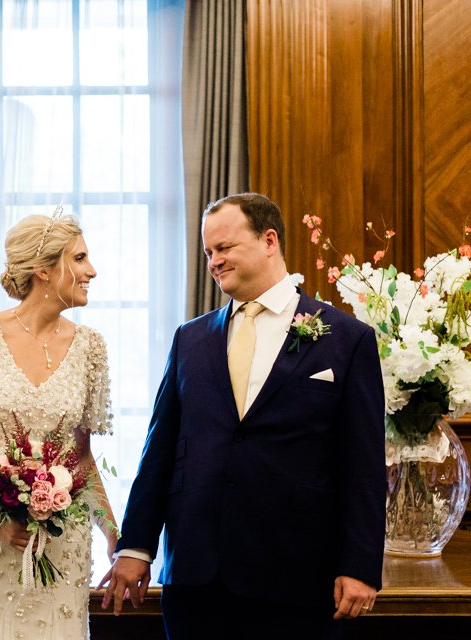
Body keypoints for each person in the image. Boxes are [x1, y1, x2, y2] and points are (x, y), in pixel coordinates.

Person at [101, 193, 386, 639]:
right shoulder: (189, 340)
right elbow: (159, 449)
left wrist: (361, 564)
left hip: (297, 575)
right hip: (197, 576)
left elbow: (364, 465)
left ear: (269, 240)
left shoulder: (347, 340)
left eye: (225, 247)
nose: (215, 261)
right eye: (209, 252)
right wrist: (136, 545)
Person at [0, 211, 117, 639]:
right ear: (43, 270)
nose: (92, 270)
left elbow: (80, 456)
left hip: (59, 539)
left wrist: (114, 535)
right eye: (80, 258)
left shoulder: (91, 348)